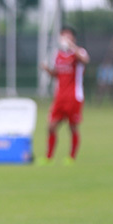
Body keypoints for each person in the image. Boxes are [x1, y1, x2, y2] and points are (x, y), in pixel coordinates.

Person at [41, 26, 90, 164]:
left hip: (74, 96)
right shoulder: (57, 55)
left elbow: (85, 60)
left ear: (73, 38)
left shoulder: (79, 52)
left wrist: (71, 46)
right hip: (59, 97)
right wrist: (47, 69)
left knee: (72, 127)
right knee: (51, 126)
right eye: (63, 36)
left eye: (68, 36)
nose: (65, 38)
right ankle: (48, 157)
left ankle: (71, 157)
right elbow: (57, 74)